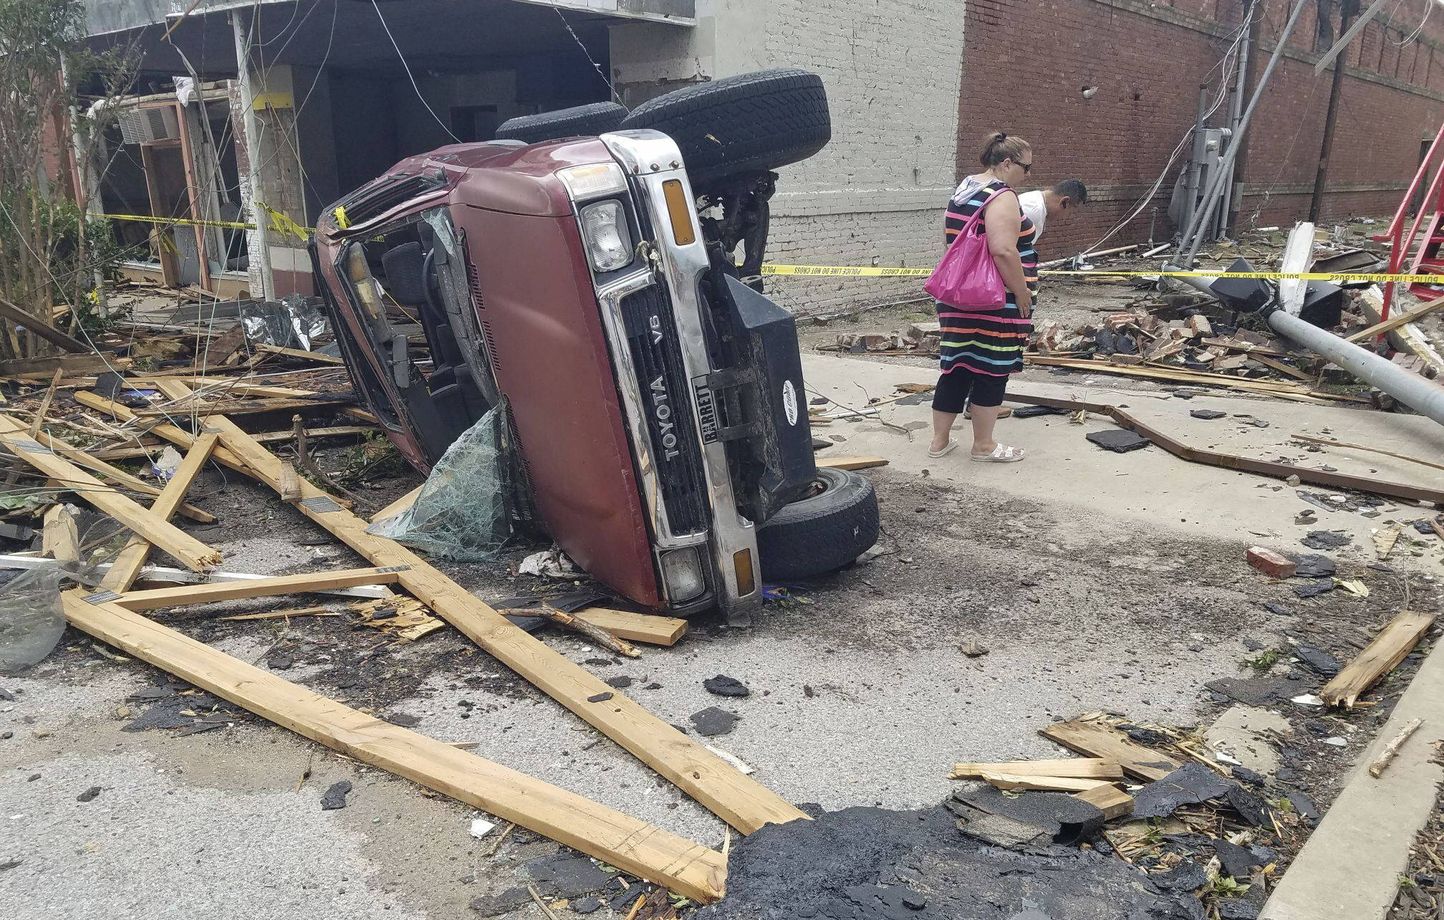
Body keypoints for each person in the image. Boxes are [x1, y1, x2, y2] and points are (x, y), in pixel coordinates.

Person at [928, 131, 1037, 463]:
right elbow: (1003, 250)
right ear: (1007, 163)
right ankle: (984, 445)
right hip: (993, 299)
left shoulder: (966, 188)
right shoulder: (1001, 195)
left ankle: (939, 441)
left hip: (959, 294)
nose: (1028, 175)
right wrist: (1022, 293)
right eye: (1026, 168)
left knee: (957, 366)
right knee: (992, 368)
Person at [1018, 178, 1087, 243]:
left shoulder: (1036, 199)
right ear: (1064, 202)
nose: (1066, 217)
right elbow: (1009, 249)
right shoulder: (1033, 210)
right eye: (1070, 212)